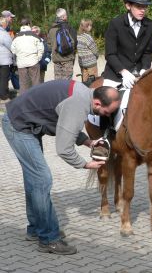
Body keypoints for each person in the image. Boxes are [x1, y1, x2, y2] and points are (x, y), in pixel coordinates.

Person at [2, 80, 121, 255]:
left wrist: (87, 141)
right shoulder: (78, 104)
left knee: (34, 179)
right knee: (42, 180)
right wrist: (86, 164)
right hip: (19, 126)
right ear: (97, 103)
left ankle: (36, 228)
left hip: (25, 122)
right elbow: (64, 149)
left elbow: (66, 125)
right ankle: (49, 239)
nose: (106, 116)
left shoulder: (84, 94)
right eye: (106, 112)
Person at [102, 0, 152, 88]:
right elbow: (110, 54)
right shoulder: (115, 23)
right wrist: (124, 72)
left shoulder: (150, 25)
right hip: (115, 74)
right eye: (139, 6)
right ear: (128, 5)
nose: (143, 10)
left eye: (145, 6)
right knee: (108, 101)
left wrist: (144, 69)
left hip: (139, 74)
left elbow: (147, 52)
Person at [11, 18, 44, 95]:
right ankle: (37, 100)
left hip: (21, 63)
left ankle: (24, 102)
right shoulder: (35, 36)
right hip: (33, 62)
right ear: (29, 25)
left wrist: (19, 56)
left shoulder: (16, 37)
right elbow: (41, 48)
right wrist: (38, 58)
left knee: (23, 84)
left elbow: (13, 50)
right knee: (36, 83)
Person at [47, 8, 77, 80]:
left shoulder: (51, 29)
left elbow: (49, 45)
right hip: (67, 59)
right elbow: (74, 43)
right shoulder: (69, 28)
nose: (67, 16)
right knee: (67, 83)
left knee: (58, 82)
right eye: (66, 15)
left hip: (57, 60)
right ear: (63, 17)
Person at [0, 16, 13, 101]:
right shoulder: (4, 34)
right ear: (4, 25)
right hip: (4, 60)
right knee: (4, 78)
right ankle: (3, 95)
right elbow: (11, 47)